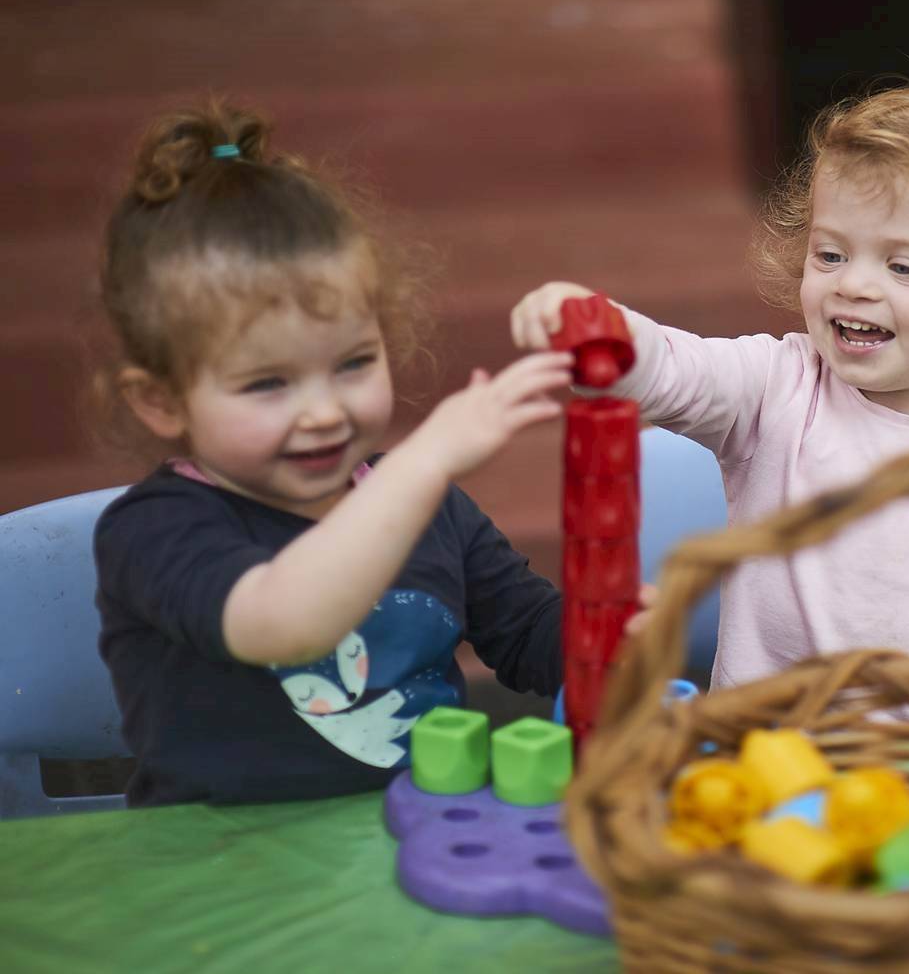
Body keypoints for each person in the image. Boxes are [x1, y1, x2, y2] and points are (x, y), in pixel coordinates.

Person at [510, 81, 909, 690]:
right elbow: (678, 370)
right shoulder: (776, 388)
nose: (853, 284)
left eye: (903, 266)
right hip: (770, 754)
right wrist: (602, 329)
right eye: (830, 255)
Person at [91, 99, 576, 806]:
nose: (324, 412)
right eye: (267, 383)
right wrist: (419, 467)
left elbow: (531, 635)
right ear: (161, 400)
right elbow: (282, 623)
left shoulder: (428, 502)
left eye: (352, 363)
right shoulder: (154, 531)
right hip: (234, 876)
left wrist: (617, 633)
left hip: (430, 845)